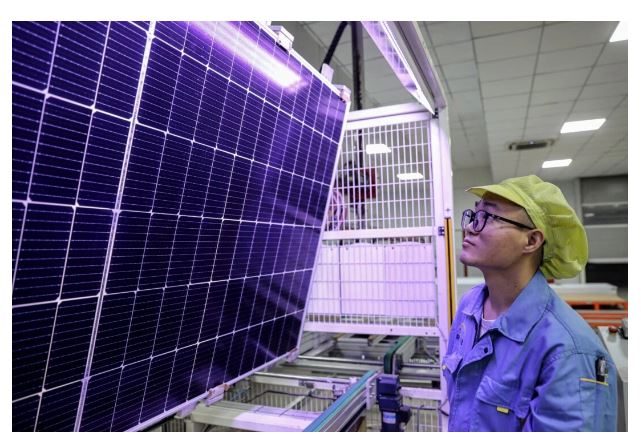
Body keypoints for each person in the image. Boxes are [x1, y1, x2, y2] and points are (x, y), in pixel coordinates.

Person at [443, 175, 617, 431]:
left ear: (532, 240)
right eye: (473, 216)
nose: (469, 227)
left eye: (488, 217)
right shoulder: (470, 306)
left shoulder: (568, 350)